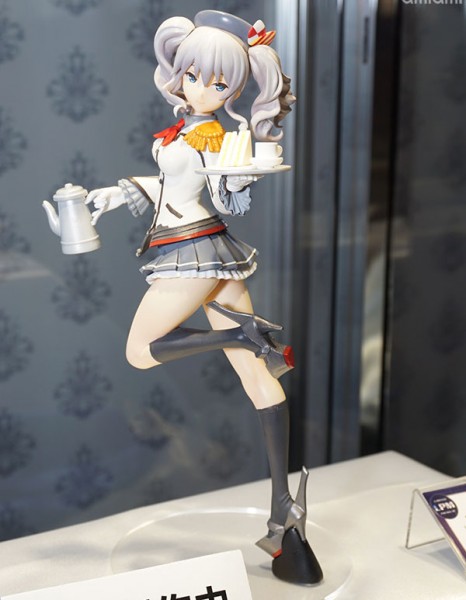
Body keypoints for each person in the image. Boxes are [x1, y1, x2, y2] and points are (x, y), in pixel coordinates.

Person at [86, 10, 322, 584]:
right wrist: (118, 193)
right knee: (257, 378)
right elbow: (175, 184)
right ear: (179, 72)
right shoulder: (191, 130)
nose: (200, 88)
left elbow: (221, 185)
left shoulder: (214, 135)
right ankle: (284, 515)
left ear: (234, 89)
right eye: (193, 76)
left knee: (140, 352)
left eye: (218, 83)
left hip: (192, 252)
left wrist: (243, 171)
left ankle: (240, 334)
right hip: (210, 248)